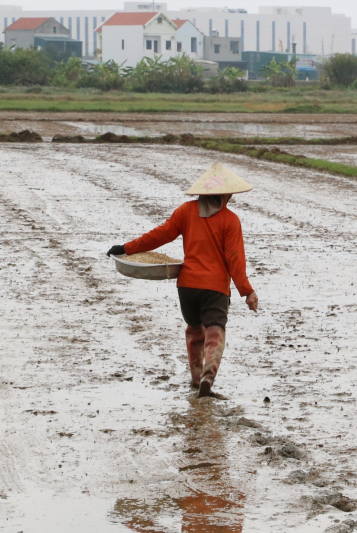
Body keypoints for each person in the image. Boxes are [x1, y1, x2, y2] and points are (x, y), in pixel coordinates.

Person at [108, 162, 258, 397]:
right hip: (215, 287)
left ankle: (196, 377)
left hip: (187, 286)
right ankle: (208, 375)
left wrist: (125, 248)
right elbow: (235, 260)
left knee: (194, 329)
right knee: (214, 330)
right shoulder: (230, 220)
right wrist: (247, 291)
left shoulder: (186, 211)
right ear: (226, 194)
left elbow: (159, 235)